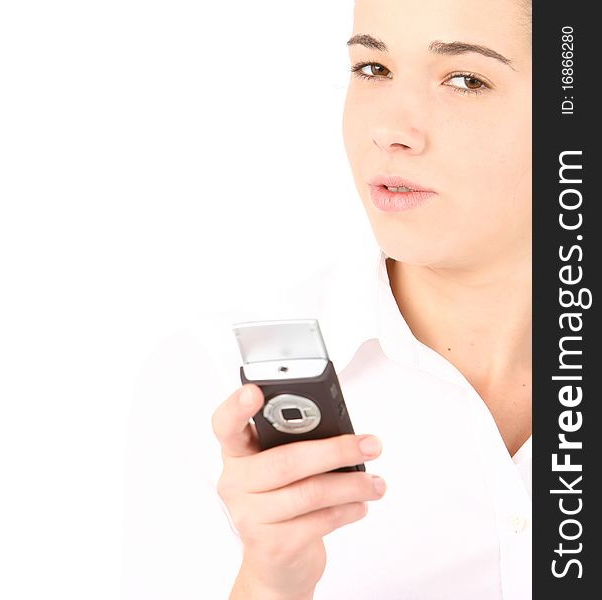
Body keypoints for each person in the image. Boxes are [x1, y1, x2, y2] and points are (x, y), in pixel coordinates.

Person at [121, 0, 532, 598]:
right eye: (373, 68)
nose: (390, 129)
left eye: (465, 80)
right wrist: (270, 581)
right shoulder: (213, 378)